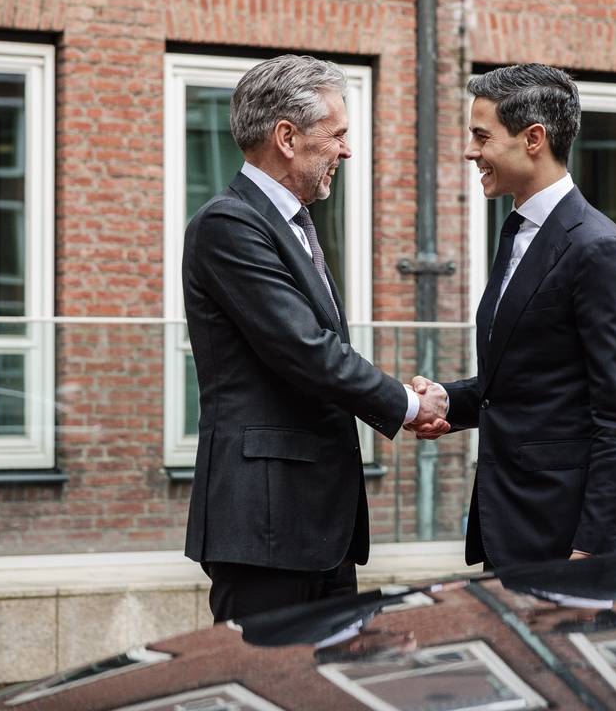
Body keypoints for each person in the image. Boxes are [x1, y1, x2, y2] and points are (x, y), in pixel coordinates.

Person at [182, 55, 449, 622]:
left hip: (315, 526)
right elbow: (304, 349)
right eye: (337, 134)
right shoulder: (229, 225)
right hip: (267, 525)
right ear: (286, 137)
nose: (346, 151)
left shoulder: (290, 223)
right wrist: (406, 404)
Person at [412, 64, 616, 569]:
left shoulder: (600, 251)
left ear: (533, 138)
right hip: (516, 527)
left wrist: (592, 550)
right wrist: (448, 401)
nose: (469, 151)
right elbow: (531, 382)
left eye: (482, 136)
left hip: (567, 539)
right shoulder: (520, 232)